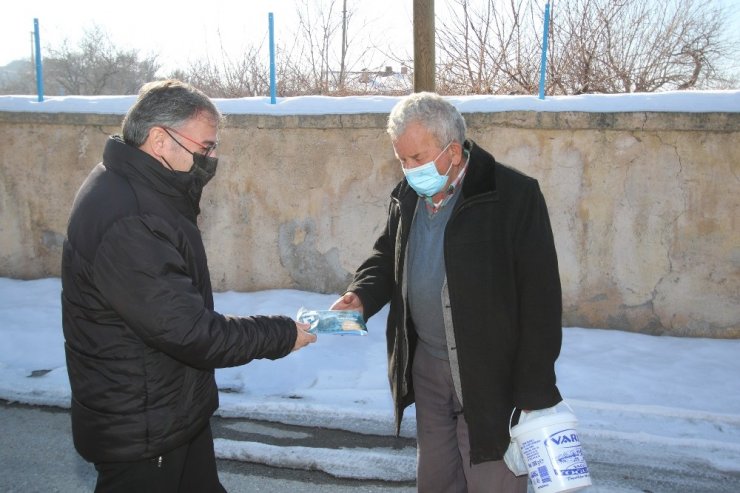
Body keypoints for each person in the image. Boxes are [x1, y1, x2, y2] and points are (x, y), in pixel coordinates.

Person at [61, 79, 316, 493]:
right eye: (204, 147)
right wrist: (281, 334)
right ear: (160, 140)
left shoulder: (138, 187)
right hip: (143, 426)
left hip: (169, 408)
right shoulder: (130, 218)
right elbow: (188, 331)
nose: (211, 158)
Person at [331, 92, 563, 492]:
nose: (408, 170)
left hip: (492, 377)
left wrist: (534, 388)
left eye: (417, 159)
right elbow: (388, 256)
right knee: (436, 482)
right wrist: (362, 295)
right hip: (429, 368)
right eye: (401, 160)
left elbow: (541, 301)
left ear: (453, 152)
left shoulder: (512, 197)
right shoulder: (407, 197)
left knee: (494, 483)